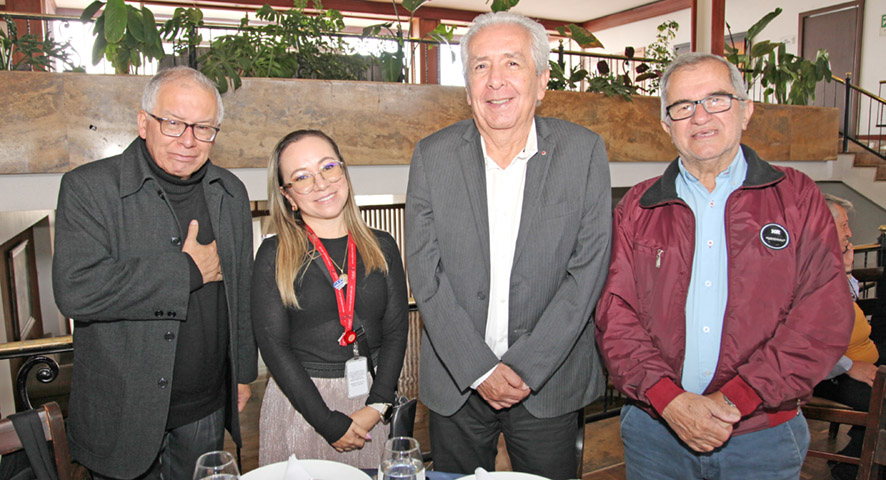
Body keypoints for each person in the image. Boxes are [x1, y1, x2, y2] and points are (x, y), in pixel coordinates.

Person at [595, 52, 854, 479]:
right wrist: (669, 400)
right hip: (656, 436)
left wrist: (735, 399)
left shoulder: (797, 197)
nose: (700, 117)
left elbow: (822, 315)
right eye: (683, 106)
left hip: (761, 440)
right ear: (666, 124)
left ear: (746, 110)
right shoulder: (637, 208)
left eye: (716, 99)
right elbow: (614, 315)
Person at [404, 12, 611, 479]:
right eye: (480, 66)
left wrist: (525, 367)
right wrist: (478, 369)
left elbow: (588, 272)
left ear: (541, 81)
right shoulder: (431, 155)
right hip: (458, 383)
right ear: (467, 83)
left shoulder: (584, 152)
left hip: (548, 384)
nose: (495, 81)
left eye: (512, 64)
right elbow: (424, 271)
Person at [52, 66, 257, 480]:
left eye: (203, 128)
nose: (188, 140)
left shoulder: (231, 191)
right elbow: (76, 290)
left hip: (205, 406)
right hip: (123, 410)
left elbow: (240, 291)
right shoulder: (89, 188)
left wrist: (244, 372)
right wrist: (186, 271)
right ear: (143, 122)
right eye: (173, 122)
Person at [252, 130, 408, 467]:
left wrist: (378, 405)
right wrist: (326, 421)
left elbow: (396, 331)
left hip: (370, 405)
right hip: (301, 405)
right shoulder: (273, 253)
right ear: (288, 196)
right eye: (302, 177)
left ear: (344, 172)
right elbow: (273, 347)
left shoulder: (383, 246)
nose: (320, 183)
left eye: (327, 167)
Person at [814, 194, 880, 480]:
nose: (850, 232)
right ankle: (851, 467)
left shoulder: (829, 264)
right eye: (843, 225)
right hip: (829, 372)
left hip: (857, 356)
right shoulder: (805, 272)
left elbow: (845, 308)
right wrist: (850, 367)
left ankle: (861, 446)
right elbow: (808, 342)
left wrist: (847, 270)